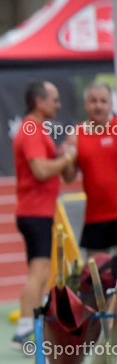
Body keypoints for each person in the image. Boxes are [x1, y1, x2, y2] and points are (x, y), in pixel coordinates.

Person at [11, 81, 76, 350]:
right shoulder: (31, 130)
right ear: (39, 101)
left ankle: (29, 327)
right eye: (54, 99)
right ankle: (24, 330)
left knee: (40, 270)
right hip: (34, 210)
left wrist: (63, 158)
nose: (58, 105)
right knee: (38, 271)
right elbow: (39, 170)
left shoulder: (37, 130)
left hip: (37, 210)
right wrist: (66, 158)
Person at [62, 81, 117, 255]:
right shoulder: (76, 135)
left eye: (103, 101)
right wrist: (66, 160)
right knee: (97, 276)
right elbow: (69, 178)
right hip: (96, 216)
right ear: (86, 104)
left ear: (110, 104)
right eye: (93, 101)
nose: (98, 106)